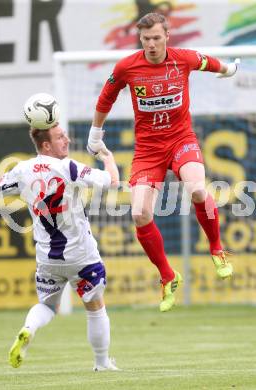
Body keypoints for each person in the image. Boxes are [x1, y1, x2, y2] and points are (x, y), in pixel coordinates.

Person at [87, 12, 237, 312]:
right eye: (146, 39)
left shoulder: (182, 58)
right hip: (148, 150)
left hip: (181, 140)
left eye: (156, 38)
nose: (152, 44)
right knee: (140, 213)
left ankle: (217, 248)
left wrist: (228, 69)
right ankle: (168, 276)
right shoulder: (127, 67)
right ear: (140, 40)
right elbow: (106, 97)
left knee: (197, 189)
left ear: (167, 36)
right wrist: (95, 132)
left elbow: (208, 61)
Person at [0, 124, 120, 371]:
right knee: (95, 307)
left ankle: (29, 328)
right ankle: (102, 363)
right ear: (46, 145)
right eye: (60, 137)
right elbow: (112, 181)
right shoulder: (69, 167)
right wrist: (107, 158)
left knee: (47, 306)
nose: (66, 140)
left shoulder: (22, 170)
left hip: (48, 258)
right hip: (81, 255)